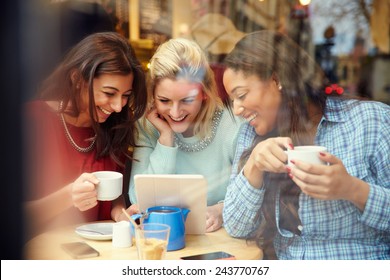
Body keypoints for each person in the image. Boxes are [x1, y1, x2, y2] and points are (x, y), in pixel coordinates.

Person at [222, 30, 390, 259]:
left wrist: (352, 189)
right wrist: (254, 166)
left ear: (276, 79)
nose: (237, 110)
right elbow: (236, 227)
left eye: (241, 95)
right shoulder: (251, 135)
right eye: (232, 100)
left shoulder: (370, 121)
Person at [24, 32, 147, 239]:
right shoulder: (32, 120)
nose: (118, 107)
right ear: (77, 79)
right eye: (109, 93)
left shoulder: (115, 128)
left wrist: (120, 214)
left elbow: (113, 201)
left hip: (100, 255)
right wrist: (68, 196)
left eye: (125, 96)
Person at [128, 38, 243, 232]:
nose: (175, 112)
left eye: (187, 100)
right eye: (164, 100)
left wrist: (221, 210)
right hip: (163, 240)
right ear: (152, 95)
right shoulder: (147, 125)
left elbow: (250, 196)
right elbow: (139, 200)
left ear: (204, 93)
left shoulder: (233, 126)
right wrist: (166, 139)